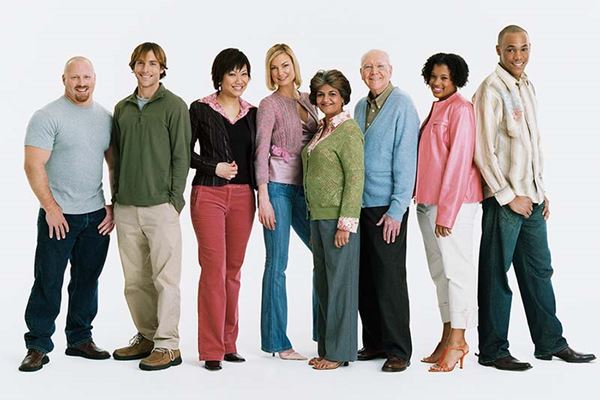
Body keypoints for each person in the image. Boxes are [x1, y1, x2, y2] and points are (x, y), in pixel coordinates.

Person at [473, 25, 596, 371]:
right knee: (496, 274)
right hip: (506, 203)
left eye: (523, 49)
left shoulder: (527, 85)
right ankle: (493, 350)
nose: (518, 56)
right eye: (511, 50)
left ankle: (549, 342)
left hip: (533, 198)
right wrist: (508, 196)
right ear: (498, 50)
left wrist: (540, 190)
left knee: (540, 271)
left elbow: (530, 146)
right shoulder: (491, 90)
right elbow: (483, 151)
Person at [20, 57, 113, 372]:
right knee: (48, 280)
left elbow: (113, 164)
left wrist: (112, 205)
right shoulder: (47, 116)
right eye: (75, 77)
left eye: (87, 77)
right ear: (64, 79)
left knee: (88, 280)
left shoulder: (105, 118)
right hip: (58, 217)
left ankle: (79, 339)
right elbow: (33, 165)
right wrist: (51, 208)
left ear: (95, 78)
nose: (81, 83)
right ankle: (38, 345)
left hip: (95, 215)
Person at [111, 42, 191, 371]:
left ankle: (169, 345)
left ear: (162, 68)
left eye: (153, 63)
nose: (146, 69)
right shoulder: (122, 108)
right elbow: (115, 156)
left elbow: (181, 157)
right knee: (134, 281)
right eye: (141, 63)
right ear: (133, 67)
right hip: (126, 207)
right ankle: (146, 336)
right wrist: (116, 197)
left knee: (166, 280)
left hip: (162, 207)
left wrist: (174, 201)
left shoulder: (174, 106)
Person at [189, 48, 257, 371]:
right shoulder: (200, 109)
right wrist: (213, 167)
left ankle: (230, 344)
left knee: (233, 272)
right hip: (209, 194)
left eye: (244, 74)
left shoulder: (253, 112)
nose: (239, 80)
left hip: (245, 197)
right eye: (232, 73)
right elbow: (184, 154)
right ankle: (212, 349)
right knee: (213, 271)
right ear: (220, 76)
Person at [415, 53, 483, 372]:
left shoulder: (461, 109)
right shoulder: (436, 107)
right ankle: (446, 334)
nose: (438, 83)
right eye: (434, 77)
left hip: (453, 206)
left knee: (457, 272)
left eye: (444, 78)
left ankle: (459, 340)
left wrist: (448, 213)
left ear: (456, 79)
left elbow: (458, 163)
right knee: (440, 273)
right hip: (427, 203)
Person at [353, 49, 419, 372]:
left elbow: (407, 162)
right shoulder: (360, 106)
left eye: (379, 66)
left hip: (387, 207)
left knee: (390, 278)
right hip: (360, 204)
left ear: (390, 69)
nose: (374, 72)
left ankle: (398, 350)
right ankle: (375, 341)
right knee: (365, 277)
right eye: (368, 67)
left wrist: (397, 209)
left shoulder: (402, 104)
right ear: (361, 73)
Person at [255, 44, 320, 360]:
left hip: (306, 191)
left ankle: (325, 334)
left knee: (324, 255)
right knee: (277, 264)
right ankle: (277, 341)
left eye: (285, 66)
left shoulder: (309, 100)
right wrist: (262, 196)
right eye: (274, 68)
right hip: (278, 189)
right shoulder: (269, 104)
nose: (280, 73)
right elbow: (260, 150)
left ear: (294, 66)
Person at [302, 69, 364, 370]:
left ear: (343, 98)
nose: (326, 99)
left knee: (340, 286)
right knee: (324, 286)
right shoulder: (322, 130)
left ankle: (339, 353)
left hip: (338, 220)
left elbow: (355, 178)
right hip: (317, 217)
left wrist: (346, 223)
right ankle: (327, 348)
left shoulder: (348, 131)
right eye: (321, 94)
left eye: (332, 94)